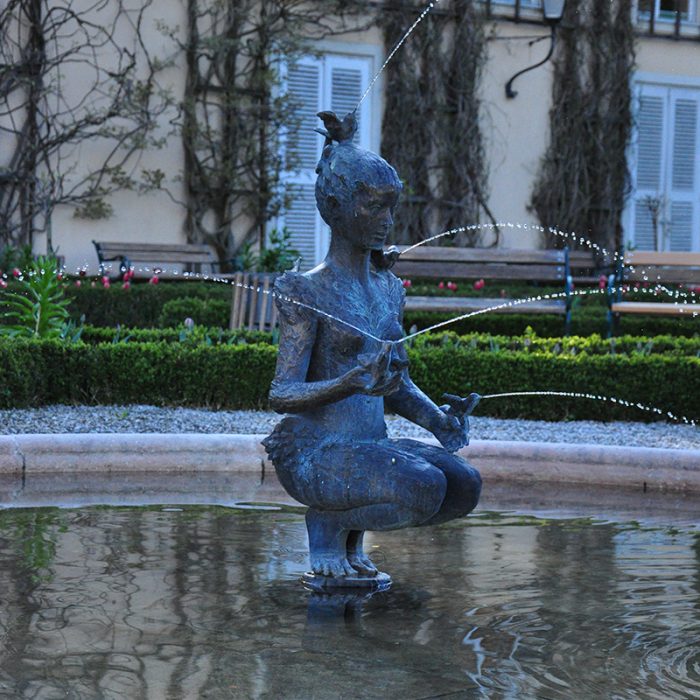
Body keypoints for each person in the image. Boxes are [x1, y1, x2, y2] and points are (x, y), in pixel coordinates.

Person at [262, 111, 481, 582]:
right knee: (422, 488)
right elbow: (281, 393)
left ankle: (349, 534)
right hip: (318, 452)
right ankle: (328, 521)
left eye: (390, 207)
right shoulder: (306, 290)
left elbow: (393, 385)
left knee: (464, 485)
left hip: (368, 446)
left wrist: (441, 422)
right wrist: (348, 382)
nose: (386, 221)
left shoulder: (387, 288)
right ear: (337, 207)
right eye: (373, 207)